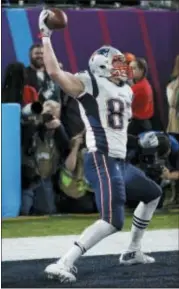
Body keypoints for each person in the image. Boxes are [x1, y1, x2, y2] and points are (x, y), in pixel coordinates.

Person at [38, 9, 161, 282]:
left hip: (119, 160)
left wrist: (140, 142)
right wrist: (46, 36)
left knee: (152, 193)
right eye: (116, 63)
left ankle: (132, 250)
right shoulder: (89, 83)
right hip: (102, 159)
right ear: (103, 67)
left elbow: (116, 127)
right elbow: (55, 72)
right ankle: (63, 262)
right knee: (112, 221)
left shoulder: (126, 89)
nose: (123, 67)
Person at [128, 58, 154, 135]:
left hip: (136, 126)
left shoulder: (138, 87)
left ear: (142, 70)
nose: (130, 71)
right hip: (145, 124)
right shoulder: (145, 83)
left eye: (133, 68)